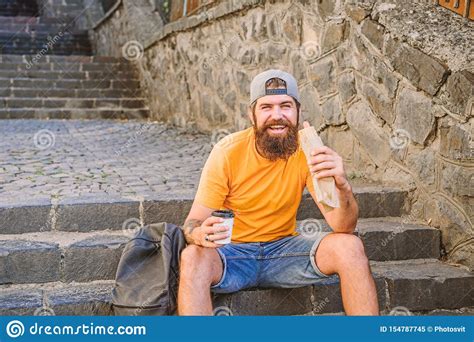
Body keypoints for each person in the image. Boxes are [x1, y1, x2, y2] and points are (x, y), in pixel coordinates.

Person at [178, 69, 379, 315]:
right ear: (251, 115)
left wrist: (343, 187)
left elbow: (343, 226)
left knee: (350, 246)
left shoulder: (308, 151)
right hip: (233, 255)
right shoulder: (227, 152)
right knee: (192, 257)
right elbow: (191, 223)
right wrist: (199, 234)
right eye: (266, 107)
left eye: (285, 106)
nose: (277, 115)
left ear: (297, 112)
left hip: (284, 252)